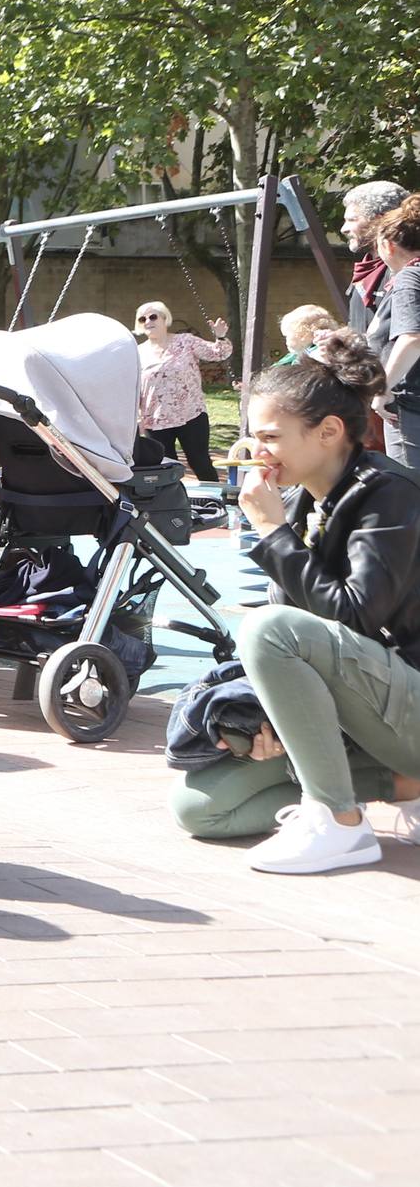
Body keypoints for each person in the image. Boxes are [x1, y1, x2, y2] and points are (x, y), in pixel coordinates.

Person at [170, 332, 420, 871]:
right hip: (363, 715)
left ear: (329, 432)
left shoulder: (391, 494)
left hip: (410, 702)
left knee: (265, 627)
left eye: (270, 437)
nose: (257, 452)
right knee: (200, 809)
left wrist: (271, 535)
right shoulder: (301, 501)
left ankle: (340, 824)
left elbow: (356, 616)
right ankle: (403, 786)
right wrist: (269, 712)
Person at [133, 302, 231, 482]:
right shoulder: (137, 352)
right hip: (155, 420)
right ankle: (173, 505)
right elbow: (134, 386)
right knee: (165, 467)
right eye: (142, 319)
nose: (148, 321)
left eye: (153, 317)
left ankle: (215, 502)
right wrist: (137, 418)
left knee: (199, 462)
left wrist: (220, 336)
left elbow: (218, 353)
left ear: (165, 319)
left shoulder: (185, 341)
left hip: (190, 414)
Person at [372, 198, 420, 464]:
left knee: (411, 492)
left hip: (412, 407)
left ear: (388, 245)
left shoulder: (410, 277)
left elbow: (413, 338)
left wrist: (382, 389)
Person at [340, 181, 409, 334]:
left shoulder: (408, 272)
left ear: (380, 221)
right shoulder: (365, 270)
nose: (344, 229)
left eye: (352, 220)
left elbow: (411, 338)